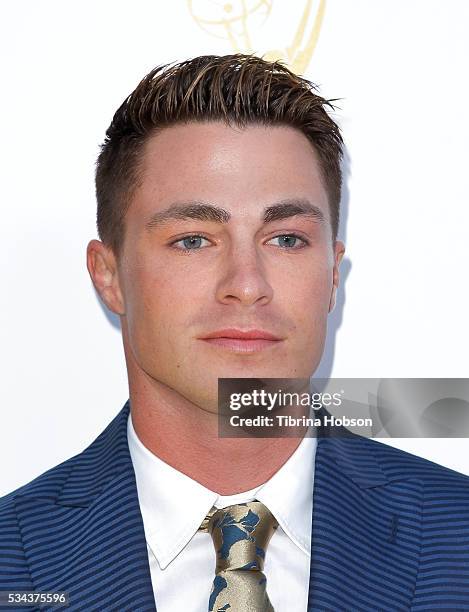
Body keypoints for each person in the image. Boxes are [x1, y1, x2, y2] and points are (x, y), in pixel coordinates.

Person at [1, 54, 468, 612]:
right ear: (109, 275)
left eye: (287, 239)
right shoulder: (13, 557)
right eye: (194, 239)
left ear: (331, 276)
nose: (247, 286)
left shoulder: (455, 538)